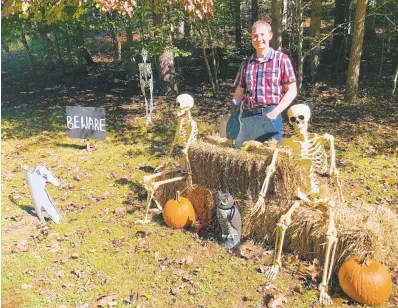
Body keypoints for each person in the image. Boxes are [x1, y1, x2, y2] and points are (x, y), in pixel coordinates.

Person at [232, 20, 297, 141]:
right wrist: (233, 114)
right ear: (251, 39)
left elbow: (292, 91)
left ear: (270, 36)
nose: (259, 39)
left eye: (262, 34)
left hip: (270, 114)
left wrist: (274, 113)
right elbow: (239, 93)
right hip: (248, 116)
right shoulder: (246, 63)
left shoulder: (282, 60)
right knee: (248, 156)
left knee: (269, 156)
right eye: (255, 36)